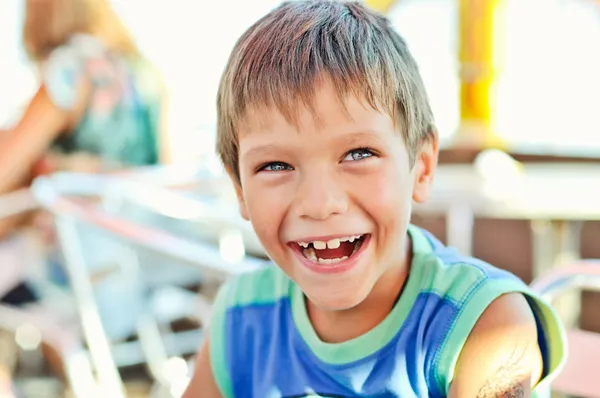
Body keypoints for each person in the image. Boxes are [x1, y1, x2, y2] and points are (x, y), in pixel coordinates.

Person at [183, 1, 566, 397]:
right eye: (276, 165)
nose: (319, 202)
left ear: (421, 166)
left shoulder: (484, 326)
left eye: (358, 154)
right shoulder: (240, 318)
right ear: (239, 188)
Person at [0, 0, 168, 300]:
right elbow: (164, 170)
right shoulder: (145, 72)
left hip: (81, 268)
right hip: (141, 262)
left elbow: (5, 166)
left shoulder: (71, 70)